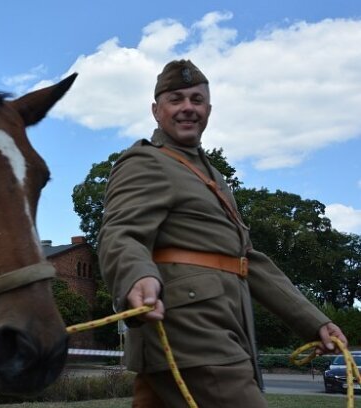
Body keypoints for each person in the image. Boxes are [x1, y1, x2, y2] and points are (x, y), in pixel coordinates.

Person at [98, 59, 347, 407]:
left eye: (197, 100)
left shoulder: (212, 175)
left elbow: (249, 261)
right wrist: (136, 276)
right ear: (156, 110)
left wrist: (315, 322)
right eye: (176, 99)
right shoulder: (144, 161)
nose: (188, 108)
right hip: (193, 334)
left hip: (223, 328)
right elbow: (120, 232)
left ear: (209, 109)